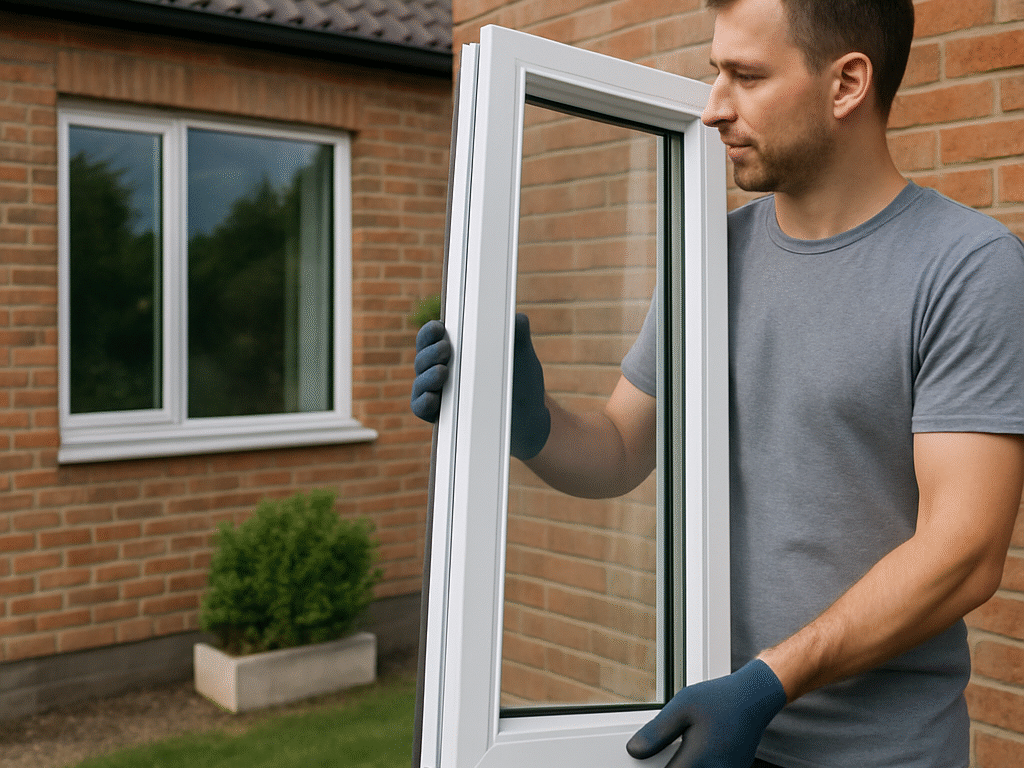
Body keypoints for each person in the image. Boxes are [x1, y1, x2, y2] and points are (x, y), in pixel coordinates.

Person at [411, 0, 1024, 765]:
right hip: (712, 740)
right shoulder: (708, 255)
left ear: (847, 85)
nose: (713, 108)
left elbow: (964, 552)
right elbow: (619, 449)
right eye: (715, 74)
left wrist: (766, 684)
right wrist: (523, 419)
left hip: (882, 753)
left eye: (746, 76)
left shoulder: (968, 269)